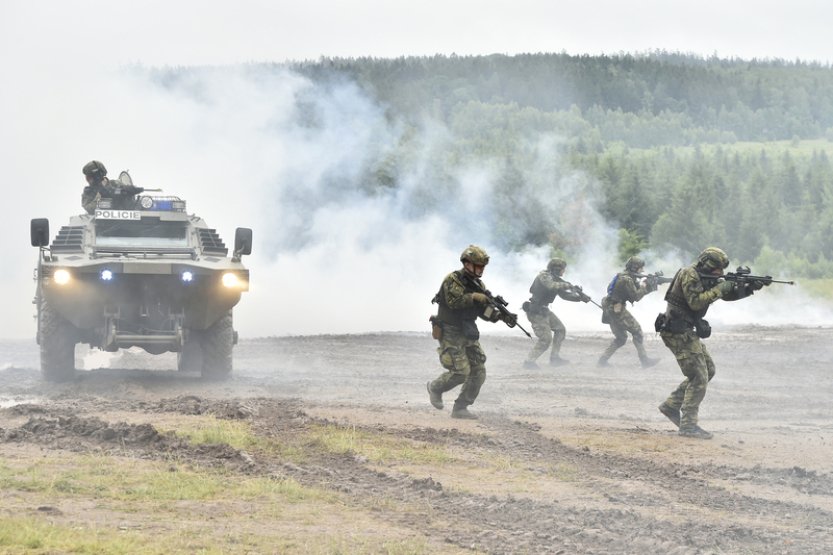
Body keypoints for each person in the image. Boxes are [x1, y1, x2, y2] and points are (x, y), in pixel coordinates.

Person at [656, 247, 766, 439]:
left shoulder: (704, 276)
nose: (719, 273)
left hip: (685, 331)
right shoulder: (689, 274)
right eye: (717, 268)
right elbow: (696, 303)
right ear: (706, 263)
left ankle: (671, 405)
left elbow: (726, 294)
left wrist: (748, 288)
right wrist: (721, 287)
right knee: (699, 377)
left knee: (709, 370)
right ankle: (688, 426)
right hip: (677, 332)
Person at [426, 245, 515, 419]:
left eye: (483, 267)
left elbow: (483, 312)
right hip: (450, 330)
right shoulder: (452, 280)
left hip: (467, 330)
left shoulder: (478, 285)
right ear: (467, 263)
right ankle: (435, 388)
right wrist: (474, 297)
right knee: (461, 372)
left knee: (479, 371)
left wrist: (499, 316)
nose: (481, 270)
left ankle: (460, 407)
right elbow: (454, 302)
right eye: (478, 266)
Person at [521, 257, 587, 369]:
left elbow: (564, 295)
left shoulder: (556, 279)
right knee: (546, 339)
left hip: (544, 310)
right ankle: (529, 362)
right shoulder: (544, 276)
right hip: (536, 311)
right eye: (562, 269)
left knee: (560, 330)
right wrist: (569, 285)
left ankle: (554, 358)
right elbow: (551, 286)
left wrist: (579, 297)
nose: (564, 271)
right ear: (556, 269)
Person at [597, 256, 661, 368]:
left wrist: (649, 284)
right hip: (617, 309)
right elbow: (636, 296)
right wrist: (646, 287)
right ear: (634, 267)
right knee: (637, 331)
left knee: (621, 338)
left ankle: (602, 361)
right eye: (640, 268)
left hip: (611, 308)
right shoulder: (627, 279)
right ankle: (644, 360)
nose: (642, 271)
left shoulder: (621, 276)